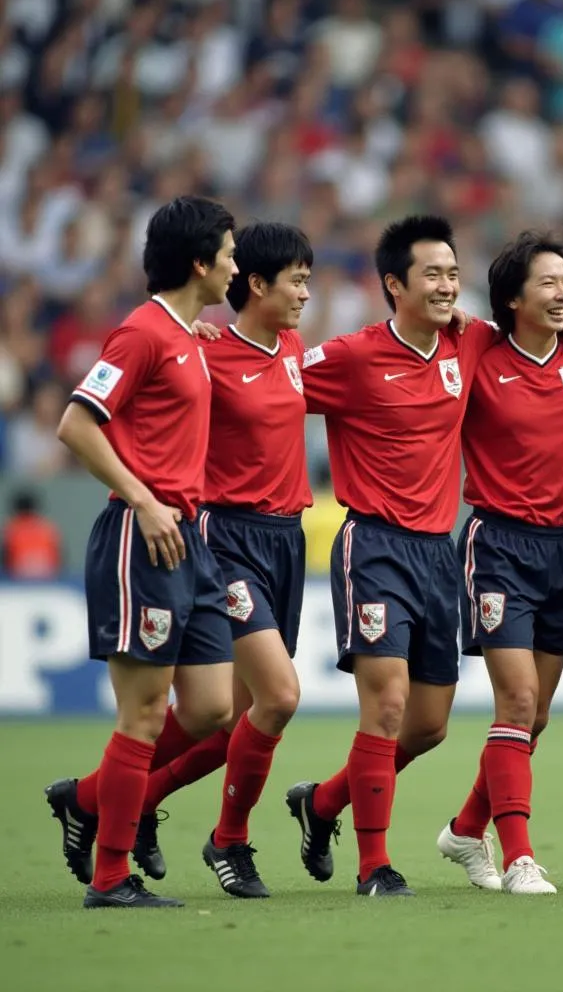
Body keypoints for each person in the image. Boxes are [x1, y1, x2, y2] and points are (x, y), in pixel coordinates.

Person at [285, 215, 563, 896]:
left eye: (454, 272)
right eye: (433, 273)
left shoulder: (473, 342)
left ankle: (324, 802)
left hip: (437, 555)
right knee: (389, 706)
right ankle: (376, 867)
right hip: (373, 545)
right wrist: (221, 344)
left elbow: (541, 331)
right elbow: (272, 385)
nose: (449, 284)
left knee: (427, 727)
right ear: (395, 284)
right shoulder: (353, 356)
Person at [44, 196, 238, 908]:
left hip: (189, 537)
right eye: (229, 252)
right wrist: (145, 497)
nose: (236, 265)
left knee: (215, 708)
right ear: (199, 261)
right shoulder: (141, 333)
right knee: (146, 712)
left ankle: (88, 799)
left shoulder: (186, 335)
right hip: (141, 530)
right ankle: (111, 875)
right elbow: (75, 424)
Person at [127, 222, 314, 898]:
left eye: (309, 280)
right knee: (282, 697)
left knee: (230, 720)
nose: (306, 293)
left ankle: (111, 800)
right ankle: (228, 841)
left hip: (286, 540)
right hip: (227, 540)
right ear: (255, 284)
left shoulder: (292, 348)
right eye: (295, 280)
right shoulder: (204, 353)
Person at [437, 232, 563, 895]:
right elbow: (430, 325)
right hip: (496, 544)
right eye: (547, 283)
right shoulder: (478, 346)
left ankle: (465, 830)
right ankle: (518, 857)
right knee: (515, 700)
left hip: (559, 548)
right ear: (513, 297)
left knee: (534, 715)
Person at [1, 490, 62, 578]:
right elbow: (58, 557)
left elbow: (6, 558)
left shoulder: (11, 529)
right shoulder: (48, 529)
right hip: (47, 577)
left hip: (17, 578)